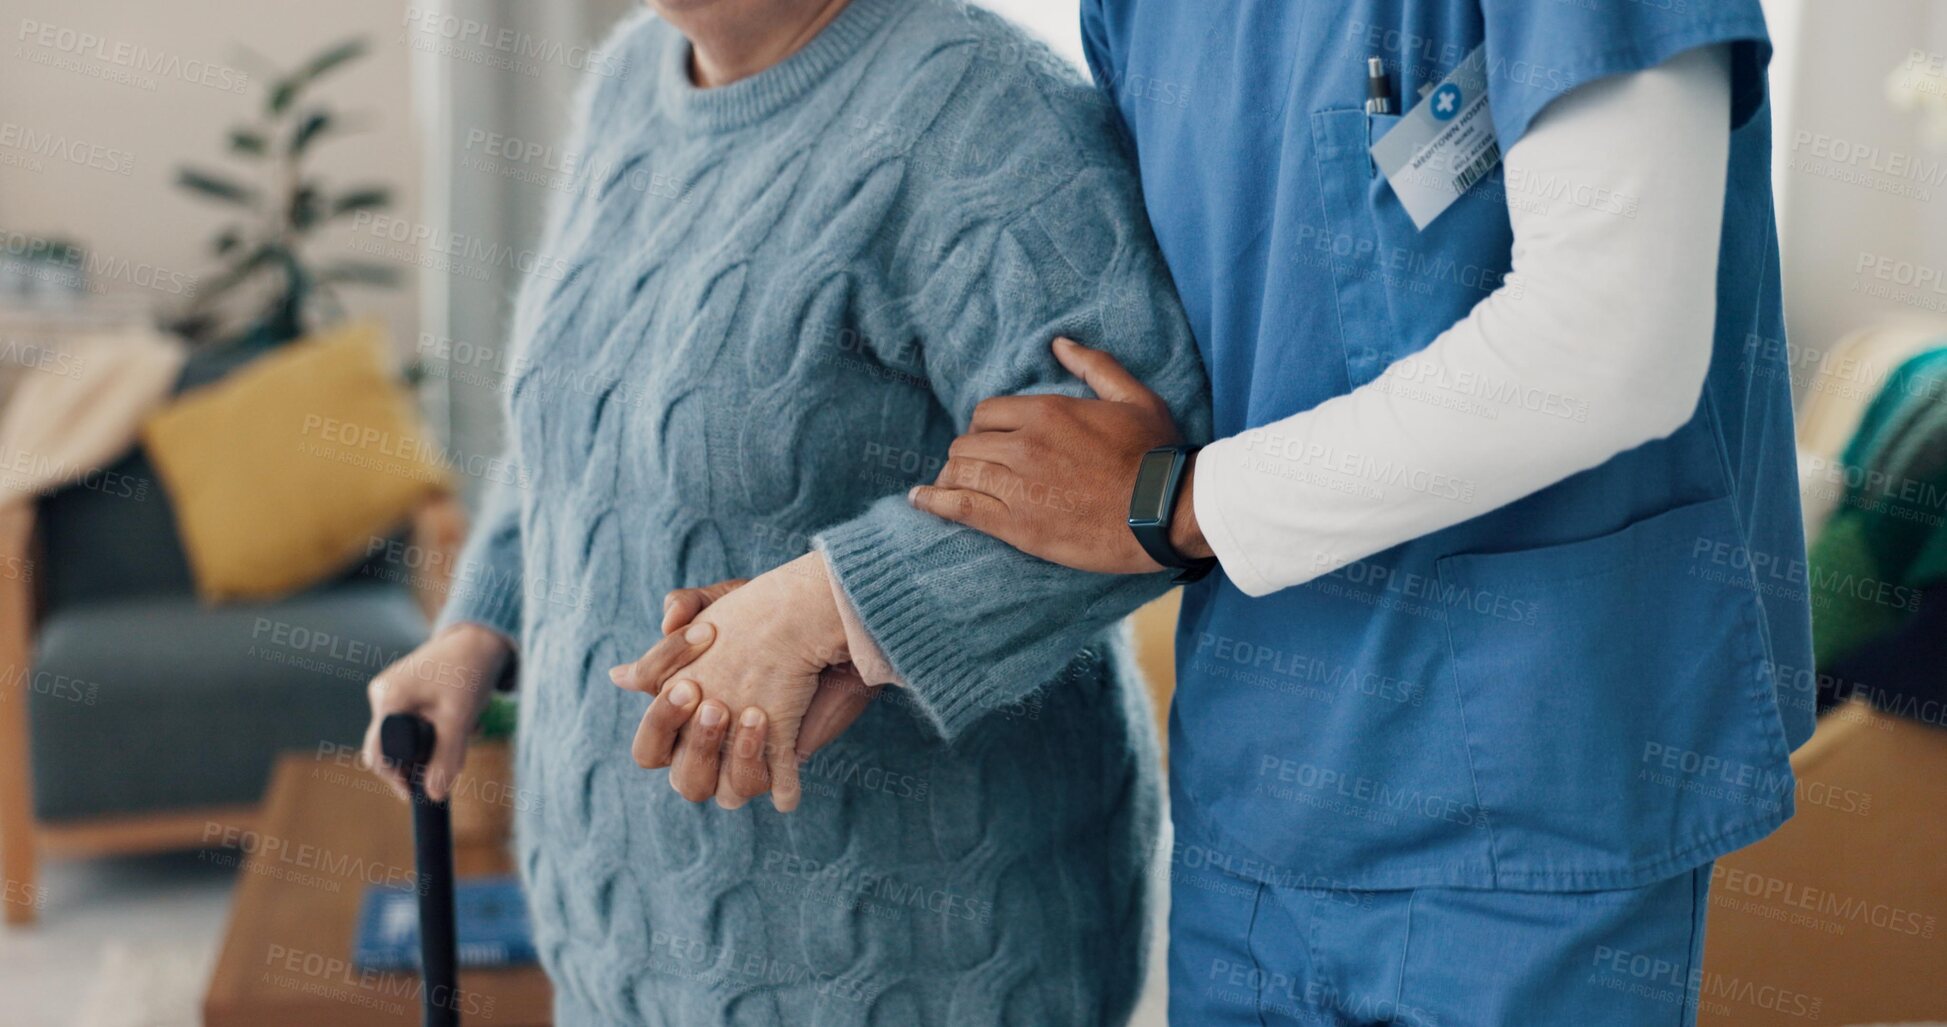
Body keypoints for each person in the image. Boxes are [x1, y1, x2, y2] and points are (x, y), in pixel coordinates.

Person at [902, 3, 1815, 1025]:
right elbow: (1110, 412)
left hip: (1532, 797)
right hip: (1257, 800)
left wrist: (1183, 500)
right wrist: (835, 621)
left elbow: (1611, 342)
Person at [361, 0, 1210, 1023]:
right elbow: (585, 413)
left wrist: (848, 604)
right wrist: (480, 623)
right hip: (619, 940)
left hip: (912, 957)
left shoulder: (981, 108)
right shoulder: (636, 74)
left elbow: (1145, 479)